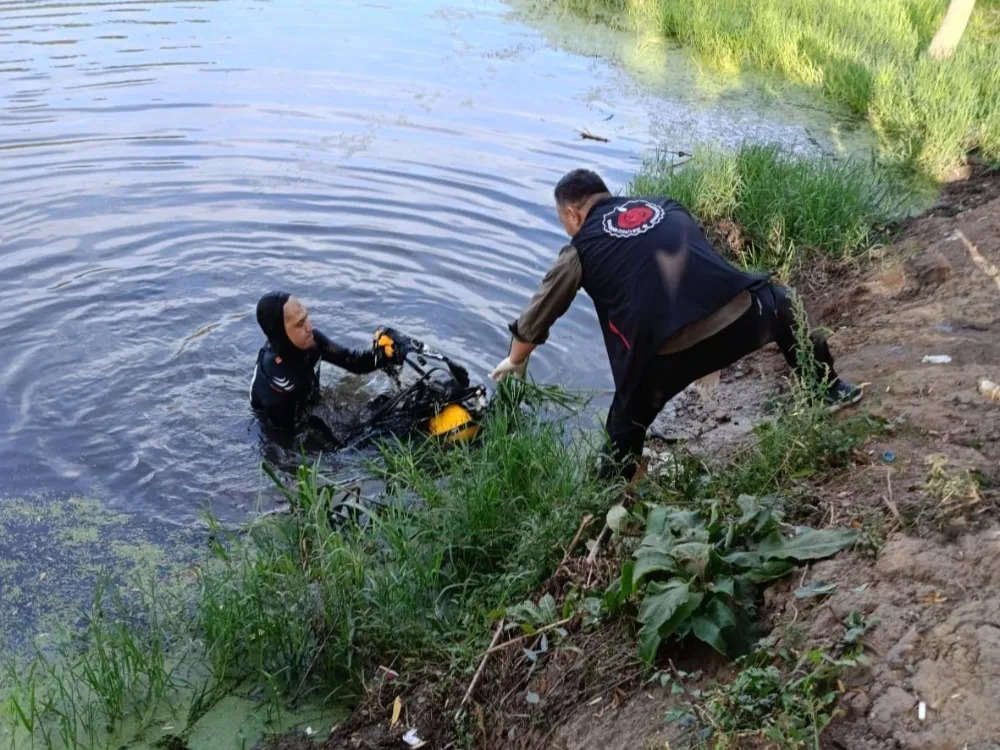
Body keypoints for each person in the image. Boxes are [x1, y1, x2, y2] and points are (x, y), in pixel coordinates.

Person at [490, 169, 862, 480]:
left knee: (622, 427)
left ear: (573, 215)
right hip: (741, 322)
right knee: (785, 302)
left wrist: (516, 359)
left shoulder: (580, 247)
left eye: (564, 224)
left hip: (663, 360)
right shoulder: (665, 204)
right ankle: (828, 391)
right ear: (607, 195)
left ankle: (612, 495)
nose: (569, 231)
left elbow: (539, 314)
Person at [250, 291, 401, 433]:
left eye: (306, 318)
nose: (309, 327)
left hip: (309, 405)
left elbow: (353, 361)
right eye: (300, 324)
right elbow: (288, 441)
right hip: (281, 427)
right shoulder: (278, 384)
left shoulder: (311, 342)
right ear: (280, 334)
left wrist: (387, 353)